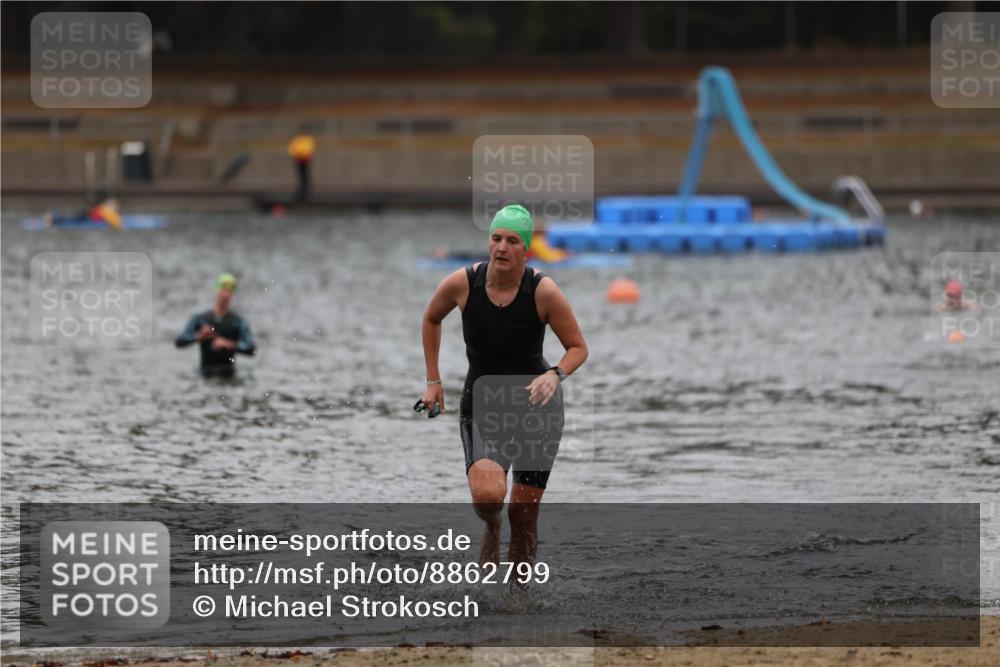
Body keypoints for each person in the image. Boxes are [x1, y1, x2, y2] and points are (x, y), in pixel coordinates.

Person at [420, 204, 588, 567]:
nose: (502, 247)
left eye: (512, 241)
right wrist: (434, 380)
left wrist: (554, 374)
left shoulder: (543, 292)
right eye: (496, 238)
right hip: (483, 406)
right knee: (488, 498)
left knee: (524, 515)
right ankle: (492, 527)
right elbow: (432, 319)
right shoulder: (462, 284)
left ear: (525, 250)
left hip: (537, 412)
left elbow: (578, 348)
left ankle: (518, 602)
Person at [175, 273, 256, 378]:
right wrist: (199, 337)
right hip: (205, 374)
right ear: (217, 290)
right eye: (223, 290)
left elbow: (251, 349)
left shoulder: (238, 322)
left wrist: (229, 345)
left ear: (232, 294)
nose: (225, 295)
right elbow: (179, 341)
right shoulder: (200, 319)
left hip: (229, 375)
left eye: (229, 291)